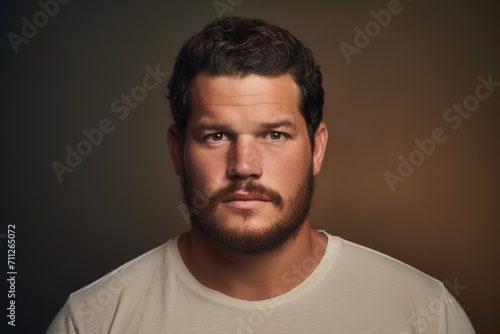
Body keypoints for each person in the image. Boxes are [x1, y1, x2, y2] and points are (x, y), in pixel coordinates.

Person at [46, 17, 475, 333]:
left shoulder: (425, 314)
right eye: (215, 136)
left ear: (317, 148)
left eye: (274, 134)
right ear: (177, 151)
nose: (244, 165)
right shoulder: (93, 320)